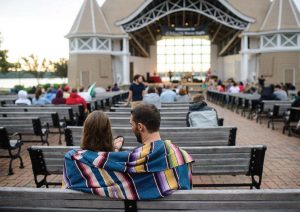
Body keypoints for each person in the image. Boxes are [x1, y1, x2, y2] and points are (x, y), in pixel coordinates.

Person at [63, 105, 193, 200]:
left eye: (131, 124)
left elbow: (93, 160)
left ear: (140, 127)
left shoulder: (75, 159)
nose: (131, 128)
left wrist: (113, 152)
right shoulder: (181, 157)